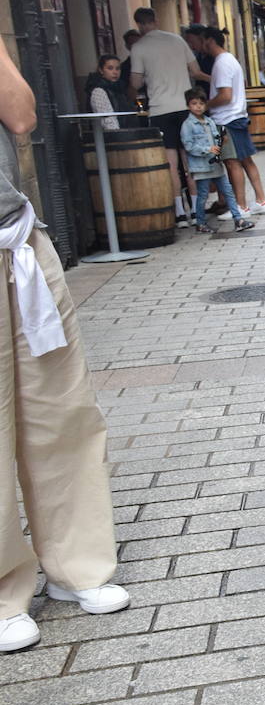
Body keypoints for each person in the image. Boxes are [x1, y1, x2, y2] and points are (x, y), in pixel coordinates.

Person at [0, 34, 130, 654]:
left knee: (62, 410)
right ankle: (4, 590)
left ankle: (77, 565)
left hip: (17, 241)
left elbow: (21, 115)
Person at [128, 7, 207, 227]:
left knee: (171, 164)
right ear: (156, 20)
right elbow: (194, 70)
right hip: (184, 107)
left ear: (139, 24)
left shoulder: (138, 47)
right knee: (189, 160)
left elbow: (135, 83)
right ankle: (197, 210)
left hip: (160, 110)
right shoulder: (177, 41)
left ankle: (180, 214)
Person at [203, 27, 265, 218]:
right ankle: (261, 200)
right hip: (237, 117)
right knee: (246, 161)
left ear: (210, 41)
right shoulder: (229, 60)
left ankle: (241, 207)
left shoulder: (222, 63)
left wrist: (206, 105)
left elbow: (225, 95)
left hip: (227, 119)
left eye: (202, 41)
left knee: (233, 163)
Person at [179, 88, 252, 234]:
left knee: (228, 191)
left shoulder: (210, 121)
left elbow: (216, 138)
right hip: (202, 167)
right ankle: (200, 222)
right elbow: (188, 145)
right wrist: (207, 149)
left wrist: (221, 140)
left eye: (201, 103)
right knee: (203, 196)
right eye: (194, 103)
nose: (198, 106)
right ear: (188, 105)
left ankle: (238, 219)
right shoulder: (188, 125)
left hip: (215, 165)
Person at [85, 55, 138, 131]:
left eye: (118, 68)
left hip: (127, 132)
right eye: (110, 68)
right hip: (113, 136)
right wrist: (119, 135)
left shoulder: (120, 88)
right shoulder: (98, 91)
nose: (115, 72)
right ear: (101, 70)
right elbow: (107, 120)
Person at [117, 30, 143, 104]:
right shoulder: (124, 68)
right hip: (136, 104)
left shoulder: (151, 62)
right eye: (133, 44)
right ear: (127, 46)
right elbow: (125, 93)